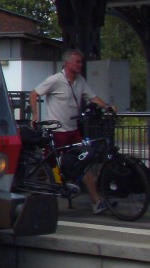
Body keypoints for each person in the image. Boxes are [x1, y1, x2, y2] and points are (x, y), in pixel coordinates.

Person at [29, 49, 116, 214]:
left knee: (84, 163)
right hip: (58, 131)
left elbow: (92, 97)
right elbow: (34, 94)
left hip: (73, 129)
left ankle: (96, 202)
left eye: (81, 62)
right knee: (49, 165)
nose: (81, 65)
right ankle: (36, 193)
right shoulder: (55, 80)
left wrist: (107, 106)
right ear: (67, 63)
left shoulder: (80, 80)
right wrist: (35, 115)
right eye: (77, 62)